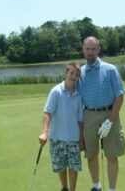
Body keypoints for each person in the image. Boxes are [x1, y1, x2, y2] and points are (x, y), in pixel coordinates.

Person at [77, 36, 125, 191]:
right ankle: (96, 186)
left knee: (112, 155)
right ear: (83, 50)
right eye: (87, 49)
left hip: (109, 113)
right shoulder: (80, 73)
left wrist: (110, 121)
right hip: (89, 115)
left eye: (93, 49)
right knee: (91, 154)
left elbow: (119, 96)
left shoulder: (110, 69)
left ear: (98, 49)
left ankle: (112, 189)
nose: (90, 52)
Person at [39, 62, 84, 191]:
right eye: (71, 73)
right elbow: (48, 113)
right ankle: (64, 187)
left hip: (73, 139)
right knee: (61, 167)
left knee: (74, 168)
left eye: (76, 74)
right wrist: (44, 132)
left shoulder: (78, 95)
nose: (73, 76)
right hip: (57, 138)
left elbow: (80, 121)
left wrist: (81, 139)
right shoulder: (56, 91)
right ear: (66, 73)